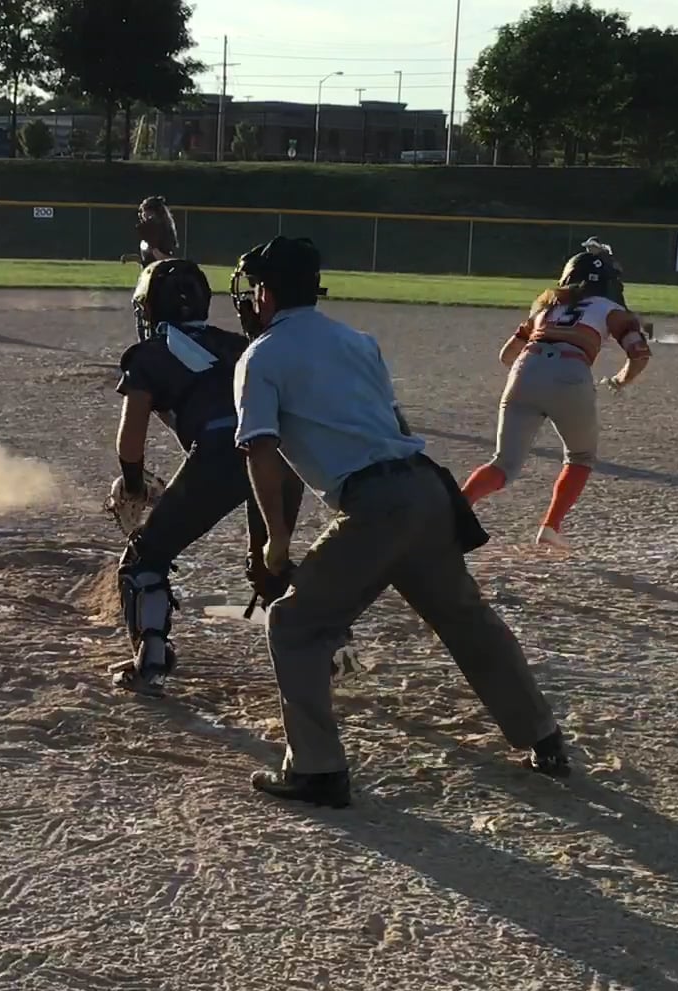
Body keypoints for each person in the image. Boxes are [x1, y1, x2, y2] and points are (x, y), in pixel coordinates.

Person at [230, 236, 569, 808]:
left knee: (293, 624)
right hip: (425, 489)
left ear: (264, 292)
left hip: (376, 504)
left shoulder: (260, 356)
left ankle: (316, 770)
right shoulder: (357, 340)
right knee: (465, 619)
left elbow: (260, 451)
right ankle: (543, 737)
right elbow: (394, 424)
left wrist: (277, 540)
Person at [102, 258, 316, 696]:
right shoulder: (235, 344)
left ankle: (151, 661)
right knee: (270, 564)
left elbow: (130, 440)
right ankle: (328, 650)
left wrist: (134, 483)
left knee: (144, 559)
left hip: (223, 453)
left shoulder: (149, 354)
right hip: (281, 455)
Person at [458, 251, 652, 548]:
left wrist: (534, 374)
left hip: (524, 370)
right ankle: (550, 527)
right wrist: (620, 380)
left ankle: (454, 510)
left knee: (504, 464)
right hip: (571, 374)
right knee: (580, 456)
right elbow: (639, 354)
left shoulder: (548, 306)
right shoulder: (611, 309)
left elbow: (506, 356)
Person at [136, 196, 178, 266]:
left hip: (161, 269)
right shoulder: (162, 227)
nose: (142, 215)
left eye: (144, 211)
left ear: (152, 213)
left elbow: (162, 259)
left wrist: (153, 248)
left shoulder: (157, 229)